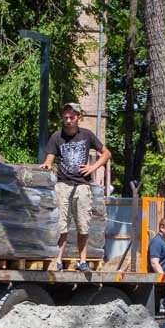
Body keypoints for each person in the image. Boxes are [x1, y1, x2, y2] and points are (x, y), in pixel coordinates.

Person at [40, 102, 111, 272]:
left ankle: (83, 261)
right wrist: (47, 165)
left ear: (79, 117)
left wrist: (93, 168)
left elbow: (107, 153)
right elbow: (49, 159)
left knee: (83, 224)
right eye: (65, 117)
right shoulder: (57, 136)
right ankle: (58, 259)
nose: (68, 120)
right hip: (63, 185)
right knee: (61, 224)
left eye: (71, 117)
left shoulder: (87, 135)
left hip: (82, 186)